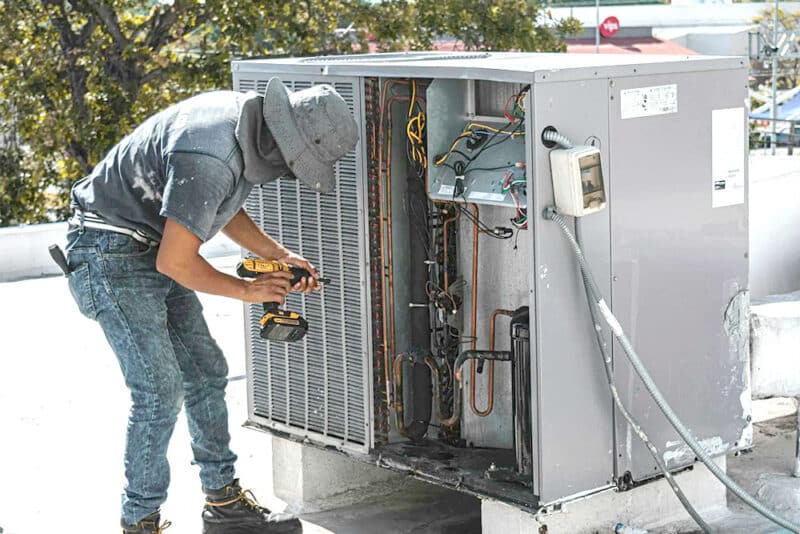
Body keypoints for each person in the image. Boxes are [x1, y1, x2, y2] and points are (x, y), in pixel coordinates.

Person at [64, 77, 359, 534]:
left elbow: (209, 204)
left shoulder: (240, 125)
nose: (289, 174)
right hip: (108, 249)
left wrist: (277, 255)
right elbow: (177, 260)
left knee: (206, 372)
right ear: (283, 143)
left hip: (147, 242)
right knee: (158, 390)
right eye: (295, 165)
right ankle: (138, 522)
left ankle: (224, 505)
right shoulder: (211, 153)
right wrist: (246, 292)